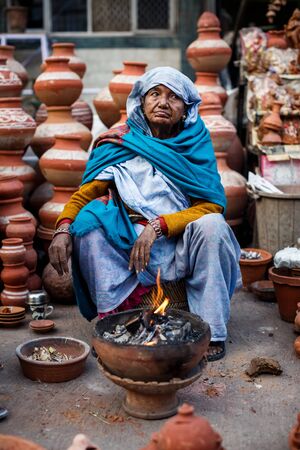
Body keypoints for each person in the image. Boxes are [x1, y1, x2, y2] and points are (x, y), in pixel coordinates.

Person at [49, 67, 241, 361]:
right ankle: (115, 322)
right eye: (155, 94)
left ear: (186, 108)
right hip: (129, 243)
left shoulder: (195, 143)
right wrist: (63, 227)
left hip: (180, 242)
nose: (163, 102)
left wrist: (159, 226)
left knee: (213, 226)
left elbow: (211, 205)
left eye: (174, 97)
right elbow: (87, 191)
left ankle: (211, 330)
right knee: (87, 223)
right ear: (141, 101)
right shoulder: (122, 141)